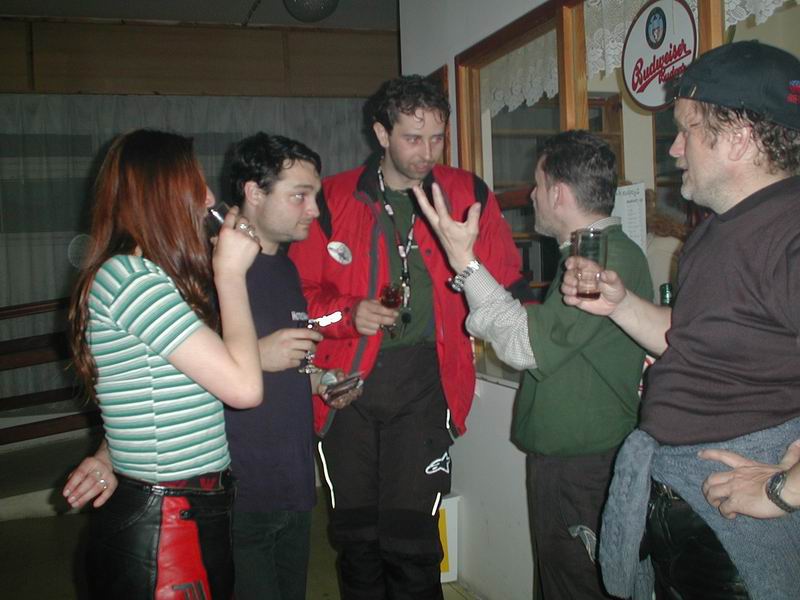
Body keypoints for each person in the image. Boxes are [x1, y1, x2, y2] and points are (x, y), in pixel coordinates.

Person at [561, 41, 800, 600]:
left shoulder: (791, 230)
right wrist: (620, 304)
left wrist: (785, 490)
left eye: (686, 129)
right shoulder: (716, 230)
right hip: (682, 499)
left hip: (737, 524)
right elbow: (693, 341)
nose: (674, 149)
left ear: (738, 137)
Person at [287, 75, 522, 599]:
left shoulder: (467, 195)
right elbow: (299, 304)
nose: (427, 152)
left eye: (437, 138)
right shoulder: (331, 200)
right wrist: (347, 314)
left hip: (425, 384)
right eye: (413, 138)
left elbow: (505, 281)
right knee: (357, 538)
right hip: (347, 387)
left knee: (412, 540)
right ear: (381, 134)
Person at [413, 129, 652, 599]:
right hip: (575, 465)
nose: (531, 196)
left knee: (577, 588)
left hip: (584, 469)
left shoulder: (603, 258)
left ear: (559, 193)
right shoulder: (586, 255)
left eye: (538, 185)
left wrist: (465, 262)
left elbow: (526, 345)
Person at [62, 129, 263, 599]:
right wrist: (230, 274)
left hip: (182, 513)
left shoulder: (149, 276)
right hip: (167, 526)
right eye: (196, 184)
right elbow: (244, 389)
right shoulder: (130, 278)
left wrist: (109, 454)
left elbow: (148, 388)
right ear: (160, 194)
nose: (208, 197)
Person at [225, 132, 359, 600]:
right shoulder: (213, 270)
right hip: (241, 491)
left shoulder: (285, 269)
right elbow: (172, 376)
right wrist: (258, 355)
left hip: (295, 482)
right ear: (254, 192)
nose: (314, 210)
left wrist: (322, 381)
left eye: (314, 196)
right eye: (299, 196)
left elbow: (287, 365)